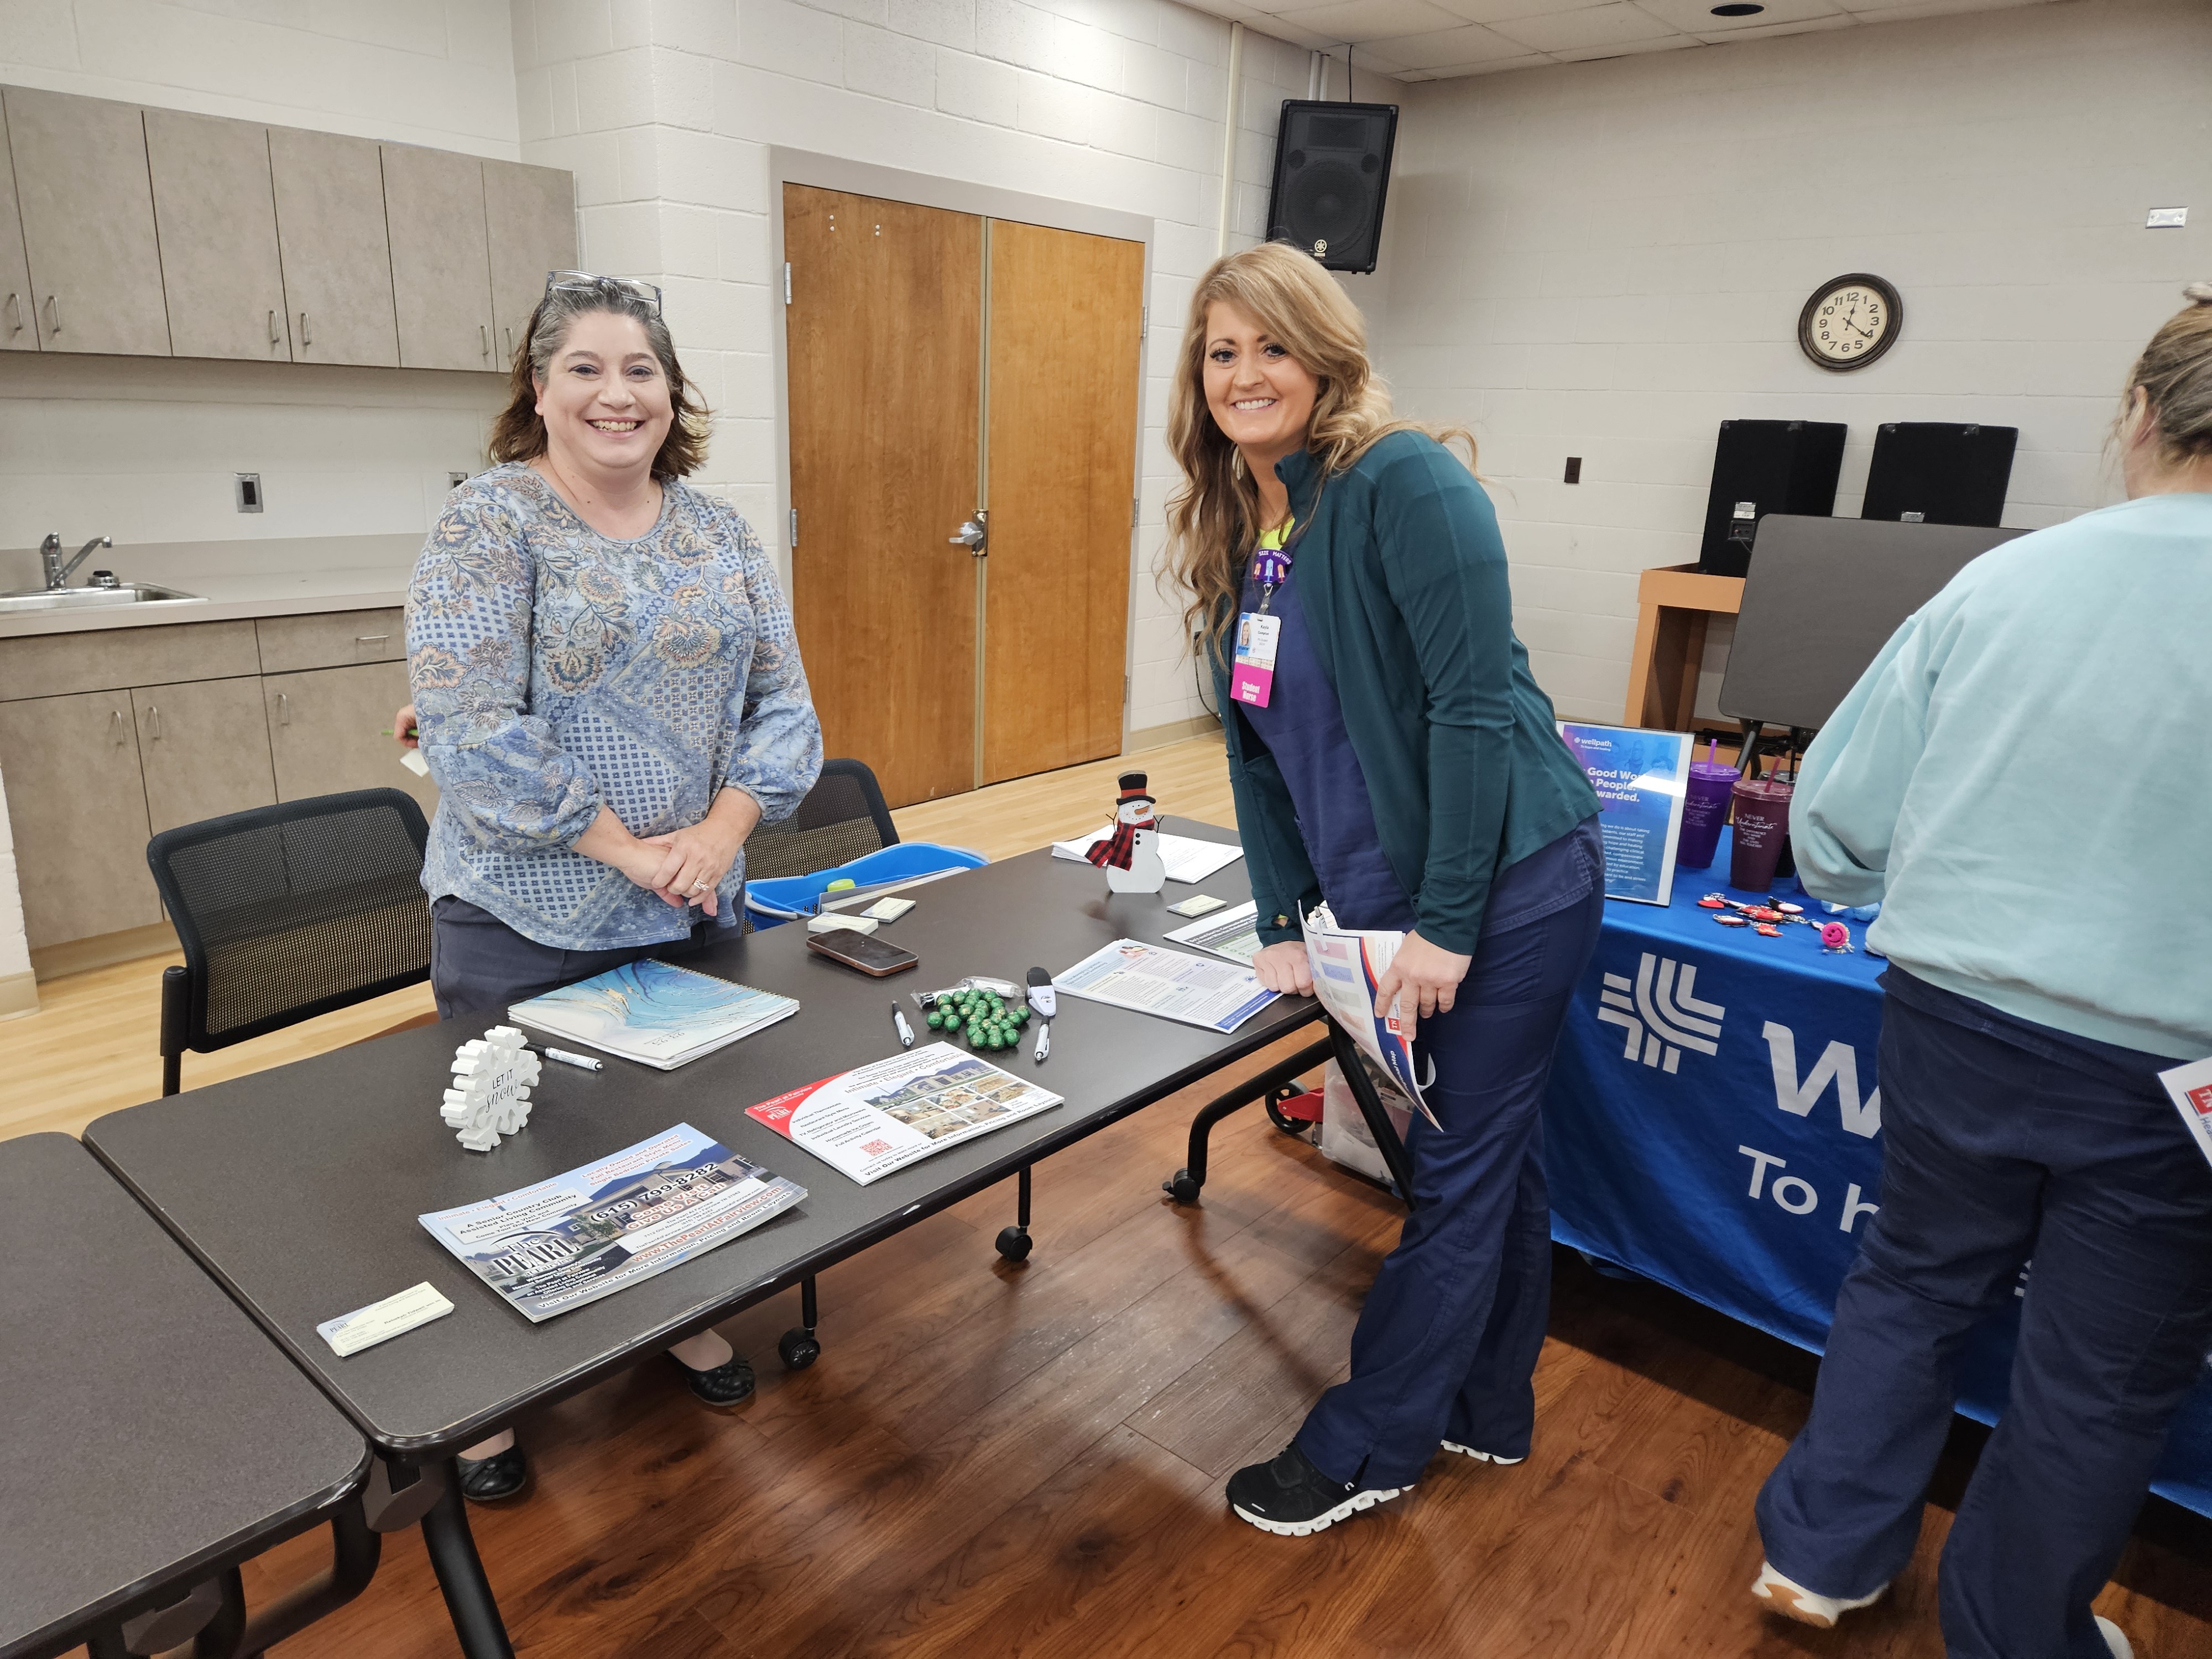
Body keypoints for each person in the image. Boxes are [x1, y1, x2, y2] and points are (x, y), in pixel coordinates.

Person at [1750, 284, 2212, 1659]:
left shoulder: (2002, 579)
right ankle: (2013, 1637)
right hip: (2173, 1072)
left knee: (1908, 1283)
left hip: (1953, 1019)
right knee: (2098, 1376)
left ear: (2133, 415)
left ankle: (1819, 1559)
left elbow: (1832, 821)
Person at [1163, 243, 1605, 1536]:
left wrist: (1446, 928)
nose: (1245, 374)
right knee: (1493, 1160)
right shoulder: (1241, 533)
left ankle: (1371, 1444)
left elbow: (1473, 709)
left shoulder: (1400, 480)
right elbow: (1254, 755)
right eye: (1219, 351)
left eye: (1271, 346)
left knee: (1458, 1173)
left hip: (1510, 888)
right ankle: (1488, 1406)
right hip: (1378, 908)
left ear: (1326, 356)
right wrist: (1279, 921)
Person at [398, 271, 822, 1503]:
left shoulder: (720, 533)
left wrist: (722, 830)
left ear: (670, 392)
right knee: (512, 1158)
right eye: (582, 368)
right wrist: (628, 848)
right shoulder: (490, 526)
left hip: (693, 904)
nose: (614, 393)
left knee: (677, 1138)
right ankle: (495, 1394)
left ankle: (671, 1316)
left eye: (638, 369)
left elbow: (782, 712)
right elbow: (469, 727)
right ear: (538, 390)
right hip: (524, 909)